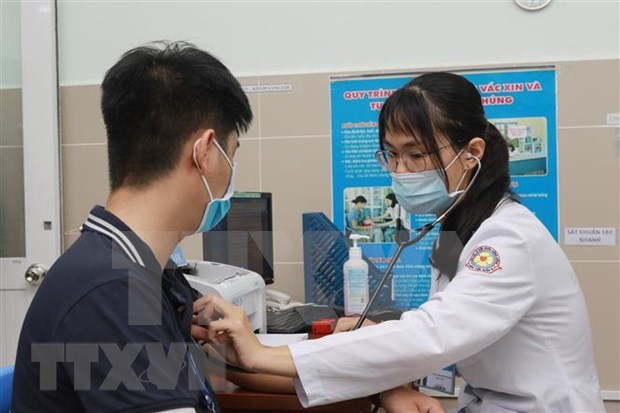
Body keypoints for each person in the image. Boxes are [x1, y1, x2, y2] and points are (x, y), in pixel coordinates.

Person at [193, 72, 605, 412]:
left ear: (471, 152)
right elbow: (447, 323)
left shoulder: (506, 240)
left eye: (416, 154)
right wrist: (382, 356)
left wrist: (261, 354)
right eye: (391, 154)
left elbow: (435, 333)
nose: (401, 170)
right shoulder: (456, 229)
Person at [12, 41, 253, 412]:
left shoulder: (143, 271)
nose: (231, 174)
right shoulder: (112, 291)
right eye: (230, 155)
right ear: (204, 152)